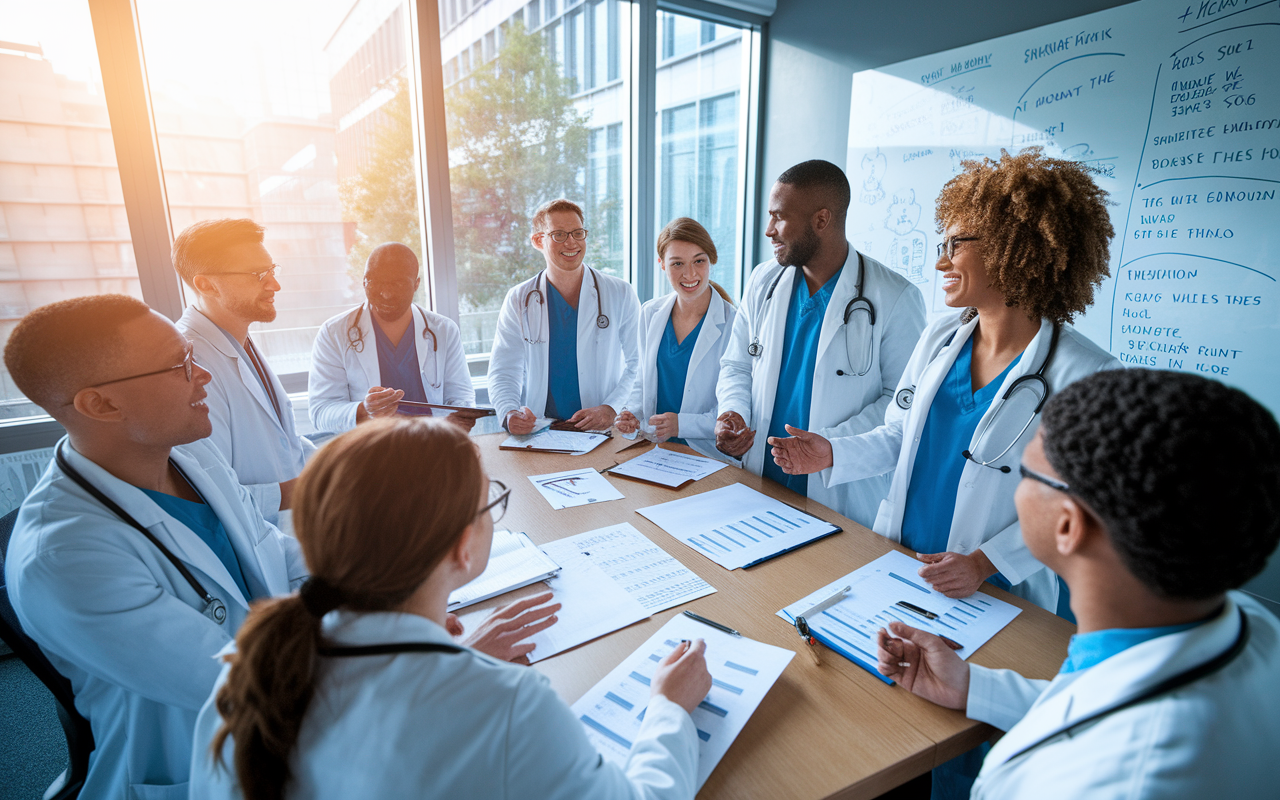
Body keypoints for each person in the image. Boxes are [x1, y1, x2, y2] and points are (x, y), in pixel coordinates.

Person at [189, 417, 712, 800]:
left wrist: (452, 657)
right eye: (490, 503)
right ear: (463, 546)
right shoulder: (510, 707)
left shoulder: (251, 666)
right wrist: (669, 709)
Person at [876, 368, 1280, 799]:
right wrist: (976, 687)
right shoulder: (1248, 624)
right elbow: (1098, 705)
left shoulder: (1111, 783)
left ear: (1068, 525)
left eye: (1025, 474)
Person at [770, 149, 1118, 614]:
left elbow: (1076, 506)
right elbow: (899, 435)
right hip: (902, 560)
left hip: (995, 592)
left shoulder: (1087, 374)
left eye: (956, 246)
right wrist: (832, 452)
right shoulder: (941, 336)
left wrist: (984, 562)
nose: (941, 263)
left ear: (1011, 246)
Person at [2, 295, 308, 800]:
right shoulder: (64, 560)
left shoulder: (190, 451)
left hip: (289, 716)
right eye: (180, 365)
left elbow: (271, 549)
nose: (203, 375)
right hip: (206, 761)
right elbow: (240, 689)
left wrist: (379, 589)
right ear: (100, 404)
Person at [715, 160, 926, 526]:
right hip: (760, 478)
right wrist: (733, 412)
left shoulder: (895, 297)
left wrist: (830, 448)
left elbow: (902, 402)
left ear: (822, 220)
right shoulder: (764, 281)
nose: (769, 231)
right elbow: (737, 365)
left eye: (779, 218)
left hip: (837, 491)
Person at [172, 219, 313, 524]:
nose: (274, 284)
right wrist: (316, 487)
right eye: (257, 275)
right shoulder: (189, 364)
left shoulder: (239, 339)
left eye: (272, 270)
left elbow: (281, 440)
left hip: (290, 537)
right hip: (258, 546)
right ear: (206, 284)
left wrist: (342, 462)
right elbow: (211, 495)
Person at [488, 198, 641, 434]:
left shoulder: (619, 293)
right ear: (539, 240)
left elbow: (638, 364)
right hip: (542, 429)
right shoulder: (519, 299)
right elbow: (504, 368)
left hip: (601, 428)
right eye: (559, 234)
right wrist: (509, 412)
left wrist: (611, 408)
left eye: (578, 233)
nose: (571, 242)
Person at [308, 242, 478, 433]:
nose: (386, 293)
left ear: (416, 284)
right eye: (375, 282)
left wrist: (457, 424)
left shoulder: (443, 330)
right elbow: (321, 413)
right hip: (372, 451)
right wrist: (364, 410)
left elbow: (461, 396)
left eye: (398, 284)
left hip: (433, 444)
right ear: (364, 281)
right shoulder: (333, 333)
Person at [615, 218, 737, 459]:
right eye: (677, 263)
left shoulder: (735, 323)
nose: (689, 273)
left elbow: (734, 406)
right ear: (662, 265)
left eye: (699, 261)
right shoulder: (650, 313)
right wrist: (631, 413)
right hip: (654, 449)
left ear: (711, 260)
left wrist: (682, 425)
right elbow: (643, 380)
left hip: (705, 454)